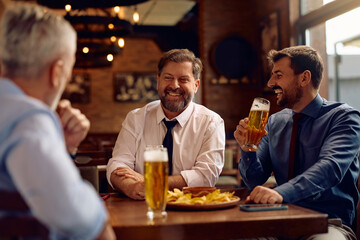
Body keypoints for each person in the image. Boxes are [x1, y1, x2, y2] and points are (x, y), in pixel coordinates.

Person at [0, 4, 115, 239]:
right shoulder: (29, 118)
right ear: (56, 71)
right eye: (70, 68)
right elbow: (78, 218)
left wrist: (64, 147)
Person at [234, 45, 360, 239]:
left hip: (327, 223)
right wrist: (247, 149)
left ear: (304, 78)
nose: (270, 83)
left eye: (278, 75)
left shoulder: (344, 117)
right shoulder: (275, 122)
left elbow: (330, 168)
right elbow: (254, 180)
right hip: (279, 220)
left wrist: (281, 193)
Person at [107, 49, 225, 200]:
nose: (174, 85)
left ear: (196, 85)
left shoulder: (211, 122)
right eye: (168, 78)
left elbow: (205, 176)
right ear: (158, 81)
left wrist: (151, 182)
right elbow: (117, 165)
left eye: (183, 79)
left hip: (191, 206)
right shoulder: (136, 118)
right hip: (142, 204)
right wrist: (131, 187)